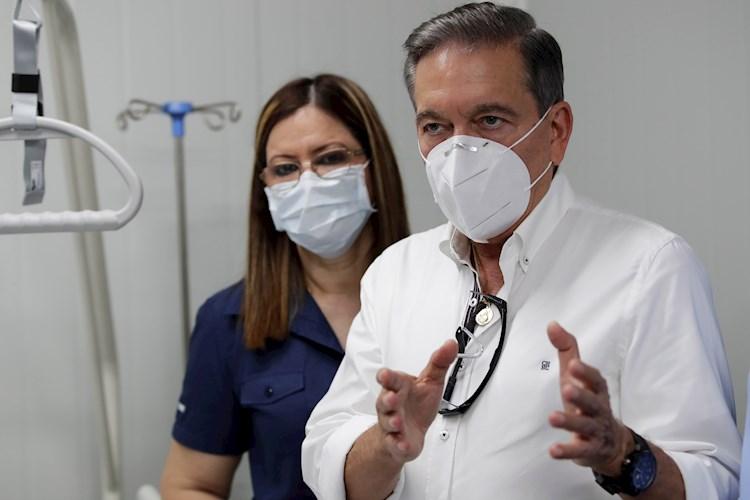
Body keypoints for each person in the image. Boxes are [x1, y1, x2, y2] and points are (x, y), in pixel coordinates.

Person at [302, 4, 740, 500]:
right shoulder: (395, 273)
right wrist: (385, 446)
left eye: (489, 120)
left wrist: (622, 454)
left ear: (556, 130)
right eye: (436, 127)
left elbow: (714, 481)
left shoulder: (649, 267)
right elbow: (328, 461)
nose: (459, 153)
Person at [160, 74, 409, 499]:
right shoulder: (230, 322)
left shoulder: (439, 294)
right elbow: (189, 484)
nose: (307, 182)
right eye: (285, 168)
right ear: (265, 189)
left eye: (330, 158)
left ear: (374, 168)